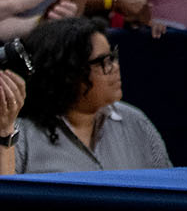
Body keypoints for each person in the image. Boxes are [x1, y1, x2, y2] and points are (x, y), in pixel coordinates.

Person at [13, 17, 171, 173]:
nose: (115, 67)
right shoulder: (20, 135)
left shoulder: (137, 123)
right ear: (69, 73)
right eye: (104, 61)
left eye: (113, 57)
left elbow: (167, 188)